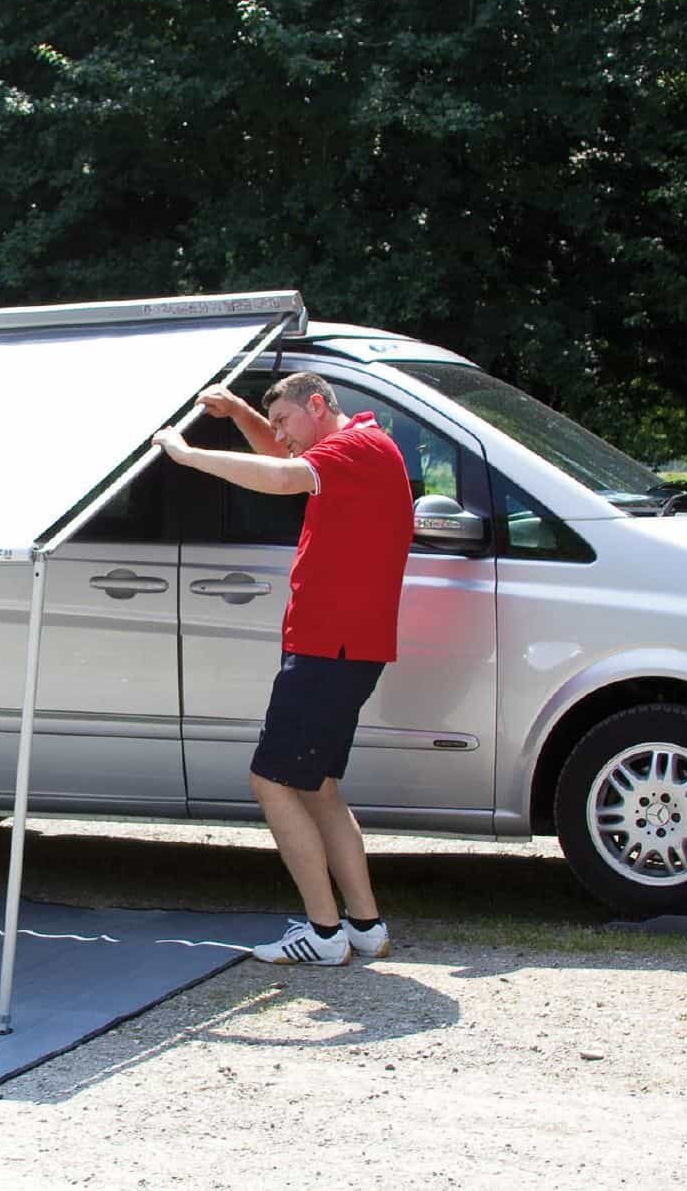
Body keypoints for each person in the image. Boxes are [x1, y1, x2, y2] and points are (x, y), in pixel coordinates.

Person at [152, 373, 413, 965]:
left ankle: (323, 935)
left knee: (271, 782)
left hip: (329, 649)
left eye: (286, 421)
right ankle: (365, 927)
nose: (280, 436)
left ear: (317, 406)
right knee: (318, 788)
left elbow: (283, 476)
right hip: (345, 648)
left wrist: (189, 456)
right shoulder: (362, 449)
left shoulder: (352, 449)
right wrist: (244, 412)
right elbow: (288, 456)